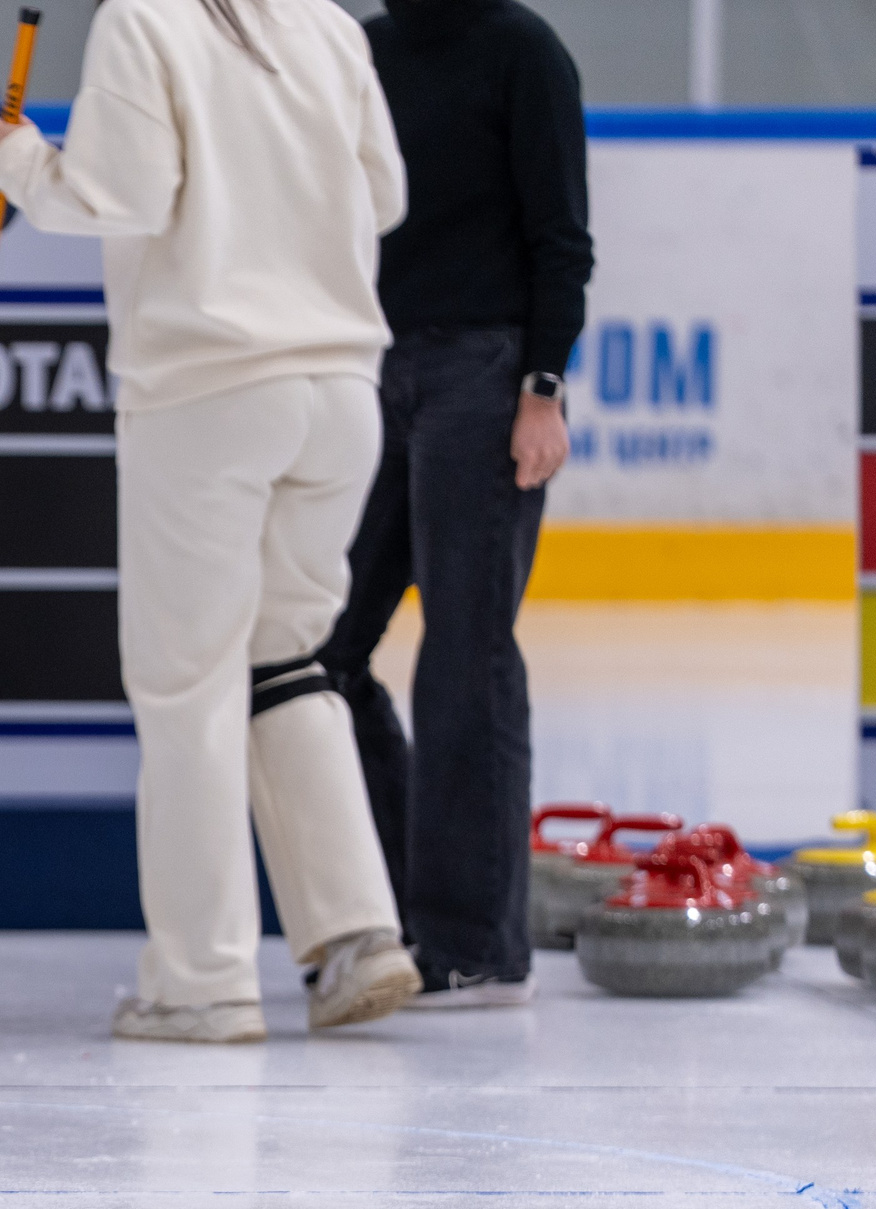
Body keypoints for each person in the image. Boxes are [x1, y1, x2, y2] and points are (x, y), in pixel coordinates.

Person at [0, 0, 420, 1042]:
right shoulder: (329, 26)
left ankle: (201, 979)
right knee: (288, 659)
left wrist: (20, 160)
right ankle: (357, 936)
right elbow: (387, 196)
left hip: (209, 388)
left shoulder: (142, 20)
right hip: (340, 386)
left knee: (188, 688)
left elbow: (118, 195)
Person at [313, 0, 593, 1007]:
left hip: (485, 371)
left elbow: (561, 237)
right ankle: (385, 914)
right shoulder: (359, 46)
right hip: (366, 367)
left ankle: (470, 935)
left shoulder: (523, 51)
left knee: (465, 652)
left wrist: (541, 389)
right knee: (323, 654)